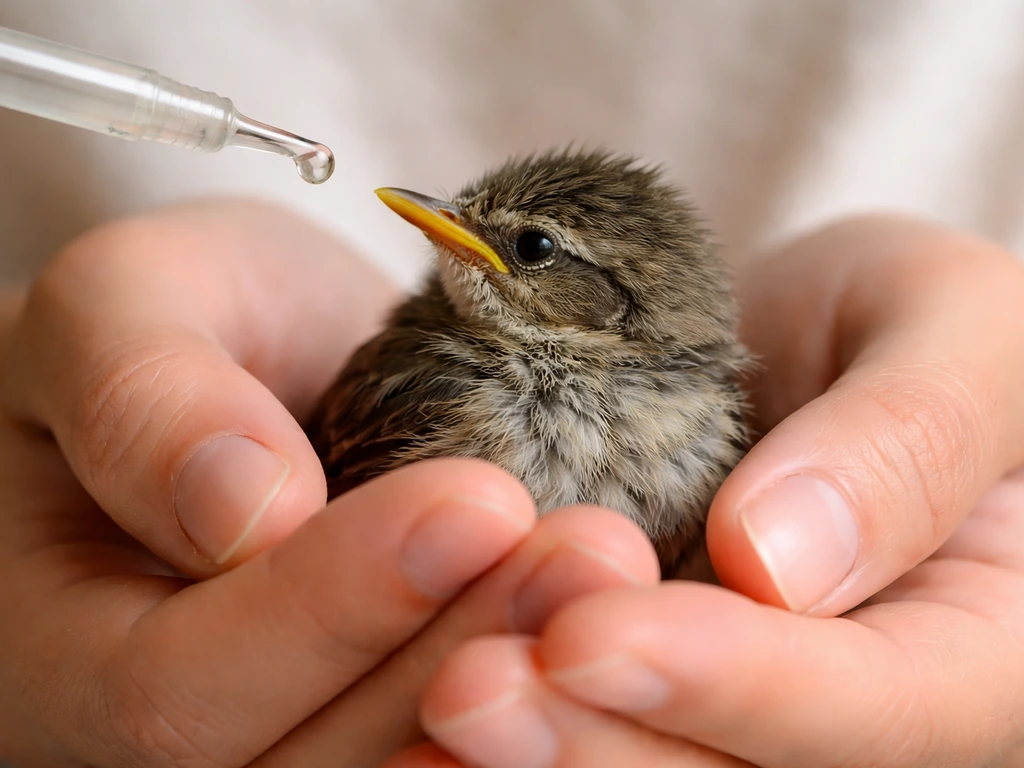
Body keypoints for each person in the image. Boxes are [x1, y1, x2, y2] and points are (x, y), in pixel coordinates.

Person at [4, 4, 1024, 767]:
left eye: (528, 247)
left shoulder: (722, 432)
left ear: (610, 306)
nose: (440, 224)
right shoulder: (436, 383)